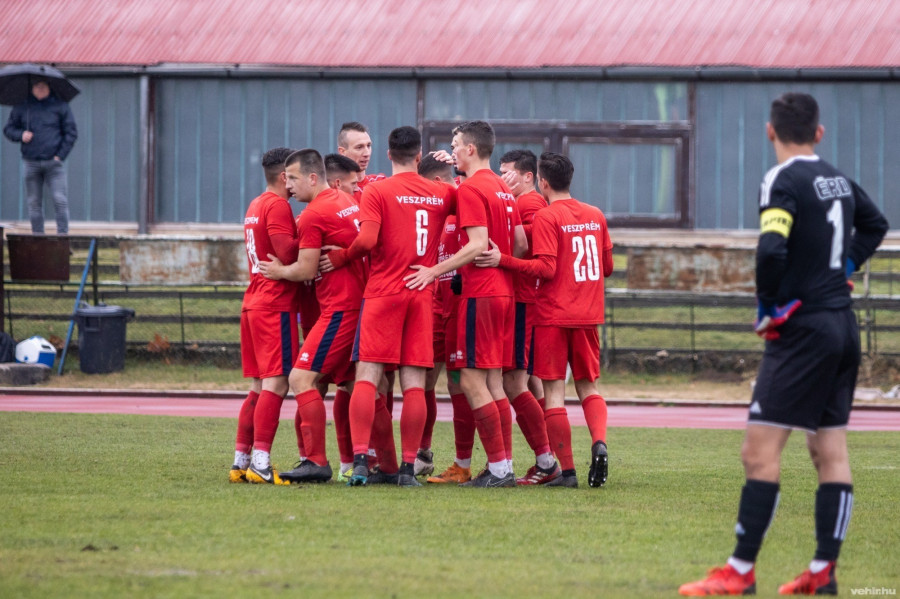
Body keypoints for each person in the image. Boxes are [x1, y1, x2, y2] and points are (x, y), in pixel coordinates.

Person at [679, 93, 888, 596]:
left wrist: (769, 306)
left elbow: (772, 247)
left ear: (770, 131)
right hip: (842, 326)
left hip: (804, 330)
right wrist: (844, 268)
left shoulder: (782, 179)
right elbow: (876, 224)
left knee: (759, 452)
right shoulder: (836, 177)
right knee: (830, 450)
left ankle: (740, 572)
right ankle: (822, 573)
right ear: (819, 133)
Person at [320, 126, 455, 487]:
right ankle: (409, 468)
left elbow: (366, 240)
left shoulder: (378, 190)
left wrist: (341, 258)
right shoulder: (441, 191)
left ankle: (362, 461)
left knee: (367, 375)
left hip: (384, 291)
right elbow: (467, 197)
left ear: (388, 155)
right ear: (418, 155)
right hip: (422, 292)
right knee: (414, 382)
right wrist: (454, 164)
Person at [476, 152, 612, 489]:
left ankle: (566, 472)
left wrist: (502, 260)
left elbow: (546, 268)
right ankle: (599, 442)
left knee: (553, 394)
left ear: (543, 182)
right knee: (588, 386)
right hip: (588, 314)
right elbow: (606, 267)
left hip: (553, 314)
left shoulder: (549, 216)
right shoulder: (595, 215)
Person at [405, 120, 527, 488]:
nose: (452, 150)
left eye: (456, 144)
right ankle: (501, 466)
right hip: (503, 292)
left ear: (471, 149)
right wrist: (499, 258)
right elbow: (519, 244)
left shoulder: (473, 188)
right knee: (491, 383)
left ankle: (500, 470)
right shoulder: (503, 190)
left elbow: (476, 245)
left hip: (480, 294)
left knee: (470, 380)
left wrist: (433, 271)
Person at [258, 149, 367, 484]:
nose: (288, 185)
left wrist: (278, 270)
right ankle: (369, 462)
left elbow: (305, 267)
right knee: (351, 384)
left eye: (292, 178)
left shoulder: (313, 214)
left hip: (340, 309)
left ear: (312, 178)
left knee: (300, 379)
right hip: (355, 304)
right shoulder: (341, 199)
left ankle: (316, 461)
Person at [230, 147, 299, 486]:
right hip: (275, 304)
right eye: (296, 174)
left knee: (258, 386)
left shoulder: (256, 204)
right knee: (278, 382)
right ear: (285, 176)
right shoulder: (278, 206)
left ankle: (240, 460)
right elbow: (289, 253)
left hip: (253, 301)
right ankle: (260, 462)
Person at [497, 149, 558, 485]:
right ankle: (550, 458)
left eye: (507, 173)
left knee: (513, 383)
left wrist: (498, 260)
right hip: (525, 301)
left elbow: (524, 245)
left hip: (524, 301)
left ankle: (547, 461)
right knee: (531, 383)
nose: (503, 178)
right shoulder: (523, 201)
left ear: (528, 177)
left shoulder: (529, 204)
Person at [414, 153, 474, 482]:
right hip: (432, 302)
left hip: (461, 301)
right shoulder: (431, 208)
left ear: (438, 183)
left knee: (461, 384)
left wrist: (459, 160)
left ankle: (465, 462)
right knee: (423, 380)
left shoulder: (465, 196)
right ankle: (423, 454)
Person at [3, 78, 78, 234]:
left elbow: (71, 133)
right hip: (31, 162)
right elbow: (8, 129)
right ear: (32, 89)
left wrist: (60, 155)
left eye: (43, 86)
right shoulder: (23, 107)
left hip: (54, 164)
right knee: (34, 203)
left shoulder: (60, 107)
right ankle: (38, 238)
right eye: (37, 86)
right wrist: (21, 134)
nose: (40, 89)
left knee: (60, 200)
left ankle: (62, 237)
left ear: (49, 88)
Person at [337, 121, 386, 201]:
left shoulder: (380, 183)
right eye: (359, 147)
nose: (367, 153)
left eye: (368, 146)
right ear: (342, 152)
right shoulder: (334, 191)